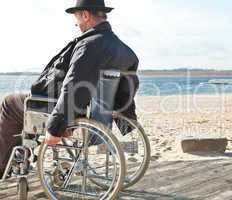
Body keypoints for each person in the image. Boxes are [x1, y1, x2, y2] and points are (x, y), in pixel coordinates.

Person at [0, 0, 139, 178]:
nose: (76, 23)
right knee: (25, 105)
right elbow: (126, 90)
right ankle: (21, 155)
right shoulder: (124, 51)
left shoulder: (90, 44)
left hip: (66, 110)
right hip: (91, 111)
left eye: (77, 18)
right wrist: (123, 117)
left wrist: (55, 128)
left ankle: (3, 166)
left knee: (9, 103)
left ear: (86, 15)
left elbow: (74, 87)